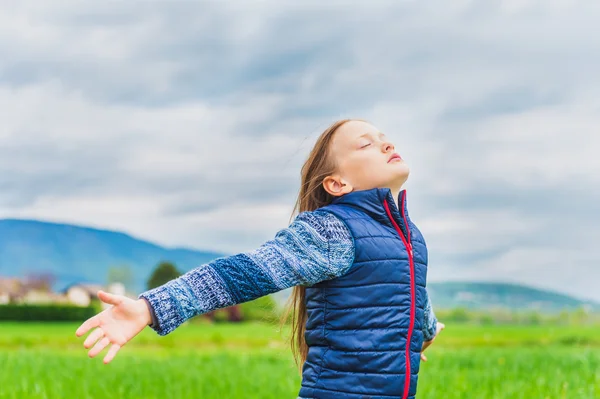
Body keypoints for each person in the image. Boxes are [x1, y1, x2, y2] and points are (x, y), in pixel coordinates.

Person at [75, 119, 445, 399]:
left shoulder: (409, 236)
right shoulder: (333, 230)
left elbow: (408, 294)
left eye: (384, 139)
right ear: (336, 184)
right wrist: (149, 307)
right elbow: (245, 273)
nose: (386, 144)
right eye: (367, 144)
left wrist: (421, 332)